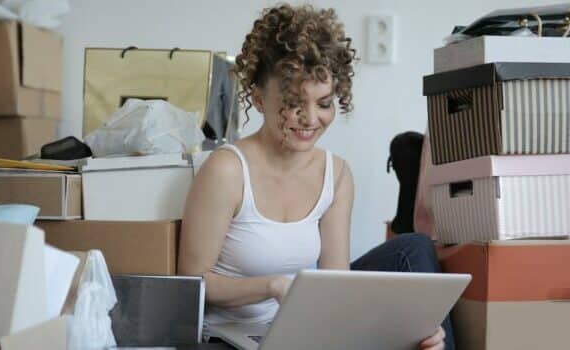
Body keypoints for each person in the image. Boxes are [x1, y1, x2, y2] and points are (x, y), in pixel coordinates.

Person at [179, 4, 453, 349]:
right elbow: (192, 282)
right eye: (294, 102)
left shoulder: (336, 174)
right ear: (259, 99)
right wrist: (272, 286)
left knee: (414, 250)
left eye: (323, 103)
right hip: (231, 337)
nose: (310, 118)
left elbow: (335, 283)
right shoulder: (227, 169)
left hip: (304, 330)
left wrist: (409, 326)